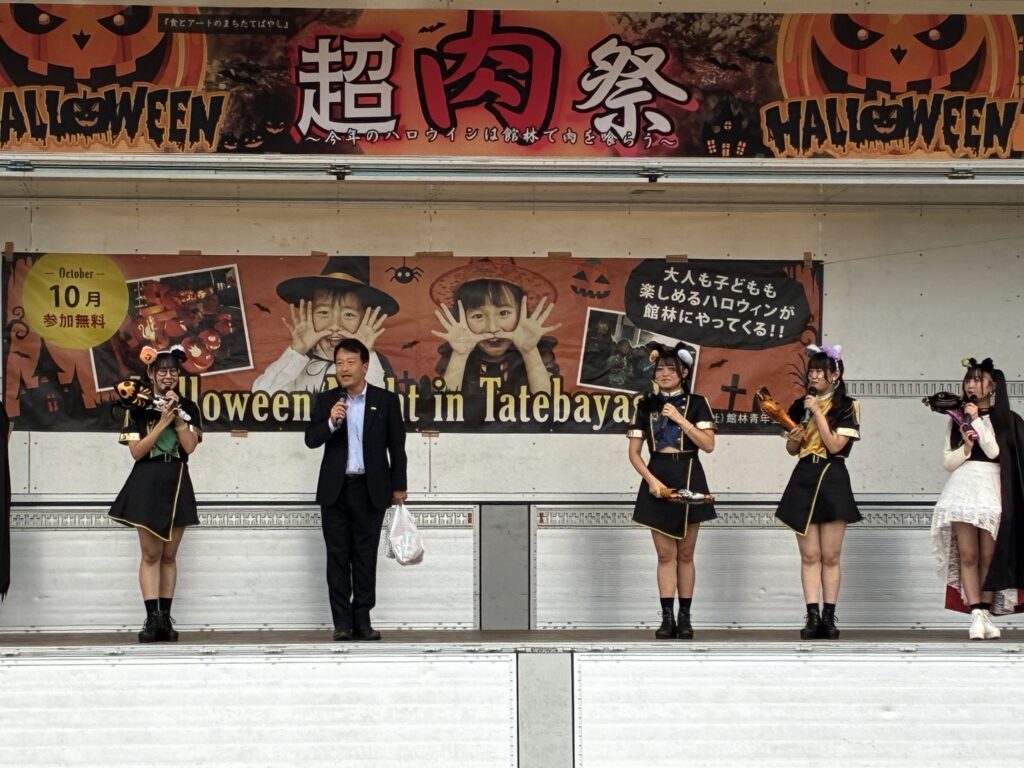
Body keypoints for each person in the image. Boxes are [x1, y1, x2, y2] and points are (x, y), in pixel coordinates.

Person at [305, 338, 408, 641]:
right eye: (339, 363)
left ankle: (362, 620)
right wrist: (331, 421)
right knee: (337, 557)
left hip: (370, 490)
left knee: (365, 557)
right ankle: (341, 623)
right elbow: (311, 440)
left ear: (365, 366)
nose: (344, 368)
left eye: (350, 362)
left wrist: (399, 486)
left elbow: (397, 447)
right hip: (335, 491)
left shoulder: (385, 401)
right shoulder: (327, 400)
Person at [108, 346, 202, 643]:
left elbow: (189, 447)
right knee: (151, 554)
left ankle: (165, 619)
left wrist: (177, 418)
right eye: (162, 370)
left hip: (177, 478)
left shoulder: (188, 407)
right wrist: (161, 422)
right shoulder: (135, 406)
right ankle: (151, 619)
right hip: (147, 478)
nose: (168, 375)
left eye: (173, 370)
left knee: (169, 555)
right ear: (150, 374)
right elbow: (136, 452)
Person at [627, 343, 716, 640]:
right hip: (658, 475)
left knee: (686, 554)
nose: (664, 374)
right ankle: (666, 617)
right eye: (660, 369)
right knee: (665, 555)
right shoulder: (645, 405)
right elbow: (634, 453)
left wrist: (680, 419)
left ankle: (685, 617)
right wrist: (651, 481)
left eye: (671, 369)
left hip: (690, 473)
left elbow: (708, 445)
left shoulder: (698, 403)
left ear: (684, 373)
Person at [931, 357, 1024, 639]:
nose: (971, 384)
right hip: (963, 487)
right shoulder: (955, 418)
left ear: (992, 387)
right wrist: (966, 446)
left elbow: (994, 451)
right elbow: (948, 461)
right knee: (968, 554)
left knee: (989, 555)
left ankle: (985, 612)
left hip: (992, 488)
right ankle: (977, 613)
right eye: (968, 379)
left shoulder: (1005, 418)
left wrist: (977, 421)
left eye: (978, 379)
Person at [775, 344, 861, 640]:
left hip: (832, 475)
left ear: (834, 375)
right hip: (804, 475)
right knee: (810, 555)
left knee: (831, 555)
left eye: (819, 372)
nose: (813, 376)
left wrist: (818, 413)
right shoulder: (799, 405)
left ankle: (829, 615)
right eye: (810, 371)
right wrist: (794, 438)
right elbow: (791, 449)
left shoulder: (847, 406)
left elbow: (836, 446)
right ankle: (812, 615)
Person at [253, 256, 399, 393]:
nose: (335, 325)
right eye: (323, 312)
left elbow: (385, 405)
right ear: (309, 316)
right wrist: (296, 352)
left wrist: (366, 353)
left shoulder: (375, 363)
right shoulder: (297, 361)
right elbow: (259, 397)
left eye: (349, 314)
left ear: (366, 319)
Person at [431, 258, 560, 409]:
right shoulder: (454, 356)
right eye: (478, 316)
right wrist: (459, 356)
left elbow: (548, 408)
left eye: (504, 313)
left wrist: (530, 352)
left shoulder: (538, 354)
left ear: (521, 314)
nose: (492, 328)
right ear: (462, 319)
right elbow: (443, 410)